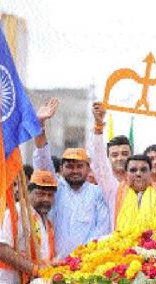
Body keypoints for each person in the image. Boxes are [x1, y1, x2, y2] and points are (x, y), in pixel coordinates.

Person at [90, 102, 156, 230]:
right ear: (126, 173)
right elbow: (99, 164)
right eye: (133, 170)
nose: (138, 173)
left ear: (150, 172)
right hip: (122, 248)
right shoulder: (114, 191)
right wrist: (98, 127)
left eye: (143, 169)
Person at [33, 98, 111, 258]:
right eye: (69, 166)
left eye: (79, 166)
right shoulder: (55, 188)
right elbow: (42, 159)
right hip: (52, 263)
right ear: (61, 169)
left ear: (88, 169)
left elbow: (102, 229)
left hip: (87, 264)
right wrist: (40, 126)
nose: (74, 170)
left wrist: (81, 258)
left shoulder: (98, 193)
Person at [0, 170, 58, 284]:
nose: (46, 199)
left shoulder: (46, 221)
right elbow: (0, 249)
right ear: (28, 193)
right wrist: (36, 270)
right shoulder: (15, 213)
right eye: (41, 194)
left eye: (50, 195)